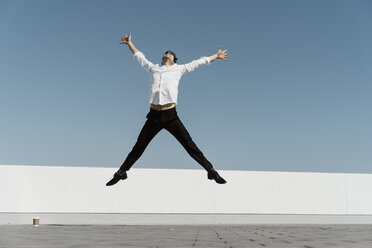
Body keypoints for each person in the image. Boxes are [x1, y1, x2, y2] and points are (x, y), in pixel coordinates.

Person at [106, 32, 228, 186]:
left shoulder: (179, 69)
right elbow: (140, 57)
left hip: (171, 116)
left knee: (190, 146)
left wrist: (215, 56)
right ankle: (121, 172)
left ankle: (211, 171)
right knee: (139, 146)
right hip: (154, 116)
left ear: (174, 60)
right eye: (165, 53)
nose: (167, 54)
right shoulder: (153, 69)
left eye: (170, 54)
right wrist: (130, 43)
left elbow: (198, 62)